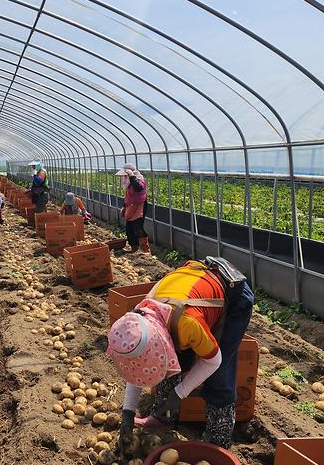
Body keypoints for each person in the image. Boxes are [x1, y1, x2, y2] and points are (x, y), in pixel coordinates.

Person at [106, 258, 254, 450]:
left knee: (219, 374)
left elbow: (213, 361)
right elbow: (135, 366)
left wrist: (178, 394)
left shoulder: (188, 324)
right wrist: (127, 413)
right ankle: (163, 418)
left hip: (234, 295)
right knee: (173, 362)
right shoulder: (139, 320)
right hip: (191, 286)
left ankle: (218, 440)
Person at [116, 163, 149, 253]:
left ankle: (146, 249)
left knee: (137, 228)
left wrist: (131, 175)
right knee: (129, 228)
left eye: (125, 175)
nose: (123, 177)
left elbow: (138, 188)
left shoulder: (138, 179)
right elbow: (128, 196)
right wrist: (124, 207)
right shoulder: (129, 182)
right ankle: (134, 247)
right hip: (130, 206)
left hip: (139, 206)